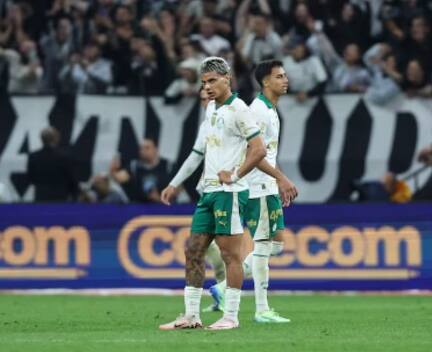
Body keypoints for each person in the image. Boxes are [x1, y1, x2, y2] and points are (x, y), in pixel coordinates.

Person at [158, 57, 266, 331]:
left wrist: (236, 175)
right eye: (203, 82)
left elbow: (258, 149)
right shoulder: (212, 110)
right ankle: (191, 316)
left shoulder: (240, 109)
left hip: (229, 193)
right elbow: (199, 152)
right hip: (208, 192)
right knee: (193, 250)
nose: (206, 87)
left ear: (227, 79)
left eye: (212, 81)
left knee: (231, 256)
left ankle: (231, 316)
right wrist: (175, 183)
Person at [210, 59, 298, 323]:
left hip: (267, 184)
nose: (285, 80)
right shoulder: (258, 111)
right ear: (266, 82)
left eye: (285, 76)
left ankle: (223, 288)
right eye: (279, 76)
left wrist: (278, 181)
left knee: (276, 245)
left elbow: (268, 153)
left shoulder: (270, 110)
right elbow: (254, 152)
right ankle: (261, 309)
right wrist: (281, 179)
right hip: (257, 186)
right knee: (263, 244)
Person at [26, 127, 80, 202]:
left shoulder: (34, 156)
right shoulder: (65, 157)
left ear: (42, 139)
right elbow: (72, 178)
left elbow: (31, 178)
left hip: (41, 197)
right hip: (61, 198)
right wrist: (75, 196)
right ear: (56, 139)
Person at [111, 138, 171, 203]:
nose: (143, 151)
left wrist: (159, 199)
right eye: (141, 148)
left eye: (147, 148)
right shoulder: (134, 166)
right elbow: (119, 177)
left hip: (163, 207)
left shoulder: (167, 166)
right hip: (139, 206)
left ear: (155, 149)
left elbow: (177, 188)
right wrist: (113, 169)